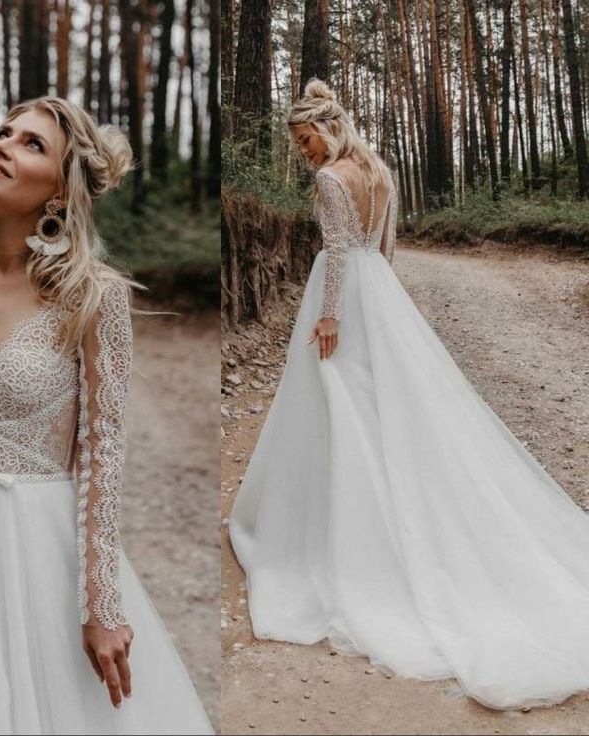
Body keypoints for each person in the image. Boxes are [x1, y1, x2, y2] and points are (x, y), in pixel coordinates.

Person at [229, 77, 589, 712]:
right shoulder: (381, 171)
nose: (303, 152)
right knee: (381, 409)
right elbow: (383, 248)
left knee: (338, 405)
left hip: (344, 298)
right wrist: (383, 304)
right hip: (381, 295)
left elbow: (337, 253)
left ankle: (344, 534)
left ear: (325, 128)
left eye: (305, 139)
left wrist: (333, 315)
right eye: (299, 143)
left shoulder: (333, 180)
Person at [0, 96, 213, 735]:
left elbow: (105, 452)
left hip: (44, 552)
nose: (0, 144)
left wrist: (101, 600)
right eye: (1, 132)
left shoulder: (93, 295)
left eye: (31, 144)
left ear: (60, 190)